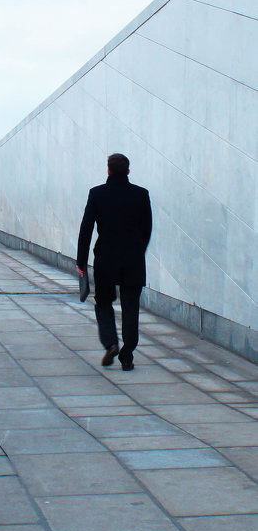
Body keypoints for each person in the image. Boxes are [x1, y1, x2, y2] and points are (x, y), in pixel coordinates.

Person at [76, 153, 152, 371]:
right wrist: (139, 250)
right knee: (131, 307)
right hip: (133, 259)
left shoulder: (97, 193)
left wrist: (81, 261)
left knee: (103, 302)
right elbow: (147, 228)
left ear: (108, 171)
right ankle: (127, 355)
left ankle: (110, 343)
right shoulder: (141, 194)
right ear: (128, 171)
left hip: (105, 258)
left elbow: (86, 229)